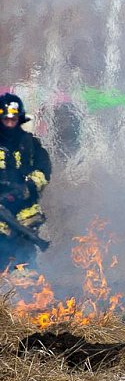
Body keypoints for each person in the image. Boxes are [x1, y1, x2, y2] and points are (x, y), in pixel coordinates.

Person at [0, 92, 51, 268]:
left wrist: (30, 185)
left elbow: (44, 169)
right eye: (5, 120)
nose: (9, 124)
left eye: (13, 120)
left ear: (19, 120)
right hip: (1, 212)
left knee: (25, 265)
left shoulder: (30, 143)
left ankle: (27, 292)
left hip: (25, 212)